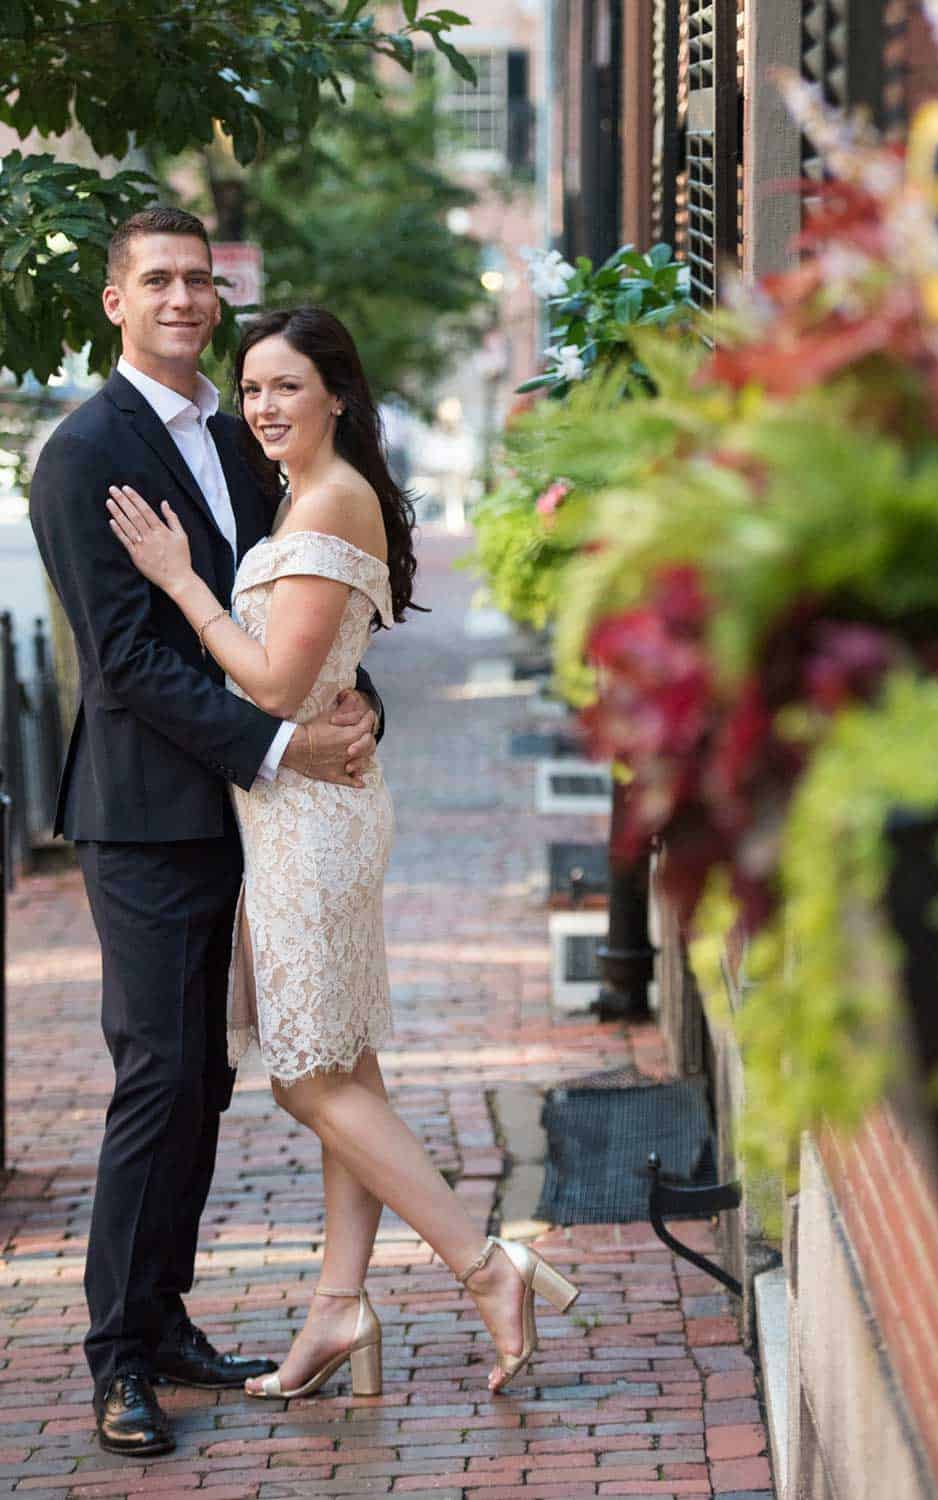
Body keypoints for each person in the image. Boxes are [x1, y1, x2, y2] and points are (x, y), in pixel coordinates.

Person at [108, 304, 580, 1410]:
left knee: (310, 1076)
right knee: (344, 1068)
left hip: (308, 825)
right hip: (297, 808)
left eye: (286, 387)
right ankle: (337, 1308)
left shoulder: (328, 500)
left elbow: (273, 685)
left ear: (336, 396)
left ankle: (485, 1266)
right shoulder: (305, 495)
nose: (265, 407)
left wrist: (179, 579)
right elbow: (316, 674)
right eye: (253, 389)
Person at [28, 208, 385, 1460]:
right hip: (149, 817)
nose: (184, 297)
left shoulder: (243, 441)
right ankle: (117, 1360)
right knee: (158, 1074)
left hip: (254, 812)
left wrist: (351, 700)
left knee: (211, 1076)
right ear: (116, 301)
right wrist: (284, 746)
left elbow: (292, 610)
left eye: (200, 279)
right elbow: (123, 662)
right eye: (158, 280)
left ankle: (165, 1317)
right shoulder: (84, 455)